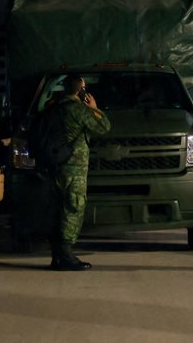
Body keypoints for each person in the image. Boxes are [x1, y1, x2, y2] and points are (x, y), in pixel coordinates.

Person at [42, 75, 111, 270]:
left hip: (54, 166)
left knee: (57, 209)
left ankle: (57, 256)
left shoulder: (53, 108)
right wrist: (94, 108)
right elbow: (104, 127)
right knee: (73, 208)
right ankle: (66, 255)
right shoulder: (78, 110)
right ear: (80, 90)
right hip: (74, 167)